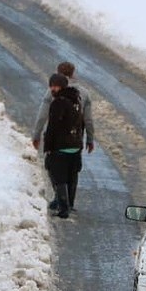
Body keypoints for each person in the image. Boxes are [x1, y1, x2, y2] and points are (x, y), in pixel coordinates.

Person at [32, 61, 94, 211]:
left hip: (58, 141)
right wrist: (90, 138)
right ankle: (70, 202)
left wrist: (37, 135)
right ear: (73, 73)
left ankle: (60, 199)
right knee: (73, 170)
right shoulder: (84, 93)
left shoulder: (52, 91)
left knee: (54, 167)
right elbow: (88, 119)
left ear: (58, 73)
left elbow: (42, 116)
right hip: (76, 138)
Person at [43, 73, 85, 219]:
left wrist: (48, 147)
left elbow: (52, 127)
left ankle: (63, 207)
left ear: (61, 86)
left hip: (60, 147)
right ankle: (69, 203)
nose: (52, 88)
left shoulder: (58, 103)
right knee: (71, 175)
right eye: (51, 85)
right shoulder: (76, 101)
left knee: (57, 175)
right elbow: (81, 123)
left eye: (54, 86)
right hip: (75, 146)